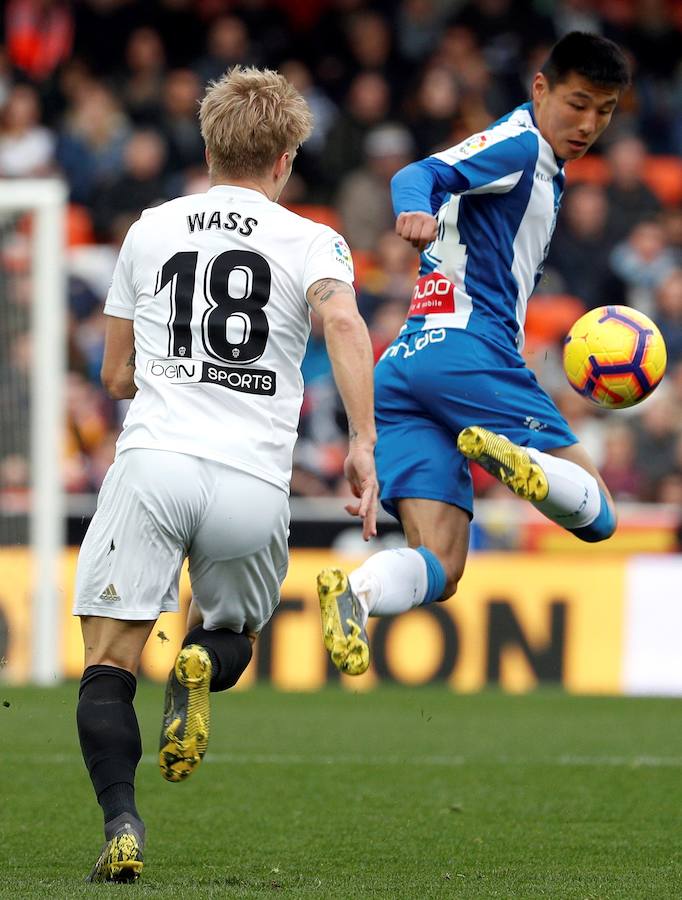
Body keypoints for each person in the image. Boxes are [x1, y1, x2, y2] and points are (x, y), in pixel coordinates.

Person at [73, 66, 378, 883]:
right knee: (230, 632)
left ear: (208, 147)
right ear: (285, 160)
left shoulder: (149, 228)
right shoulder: (312, 238)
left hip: (156, 461)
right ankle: (201, 662)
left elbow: (112, 375)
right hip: (251, 479)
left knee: (107, 665)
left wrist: (178, 376)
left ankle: (122, 823)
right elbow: (344, 321)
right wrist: (362, 442)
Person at [316, 32, 630, 678]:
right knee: (598, 514)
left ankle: (358, 592)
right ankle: (523, 466)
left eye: (605, 111)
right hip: (468, 352)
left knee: (444, 562)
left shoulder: (536, 158)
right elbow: (418, 173)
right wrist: (412, 212)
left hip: (404, 368)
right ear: (539, 89)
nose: (589, 124)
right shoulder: (520, 144)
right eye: (577, 104)